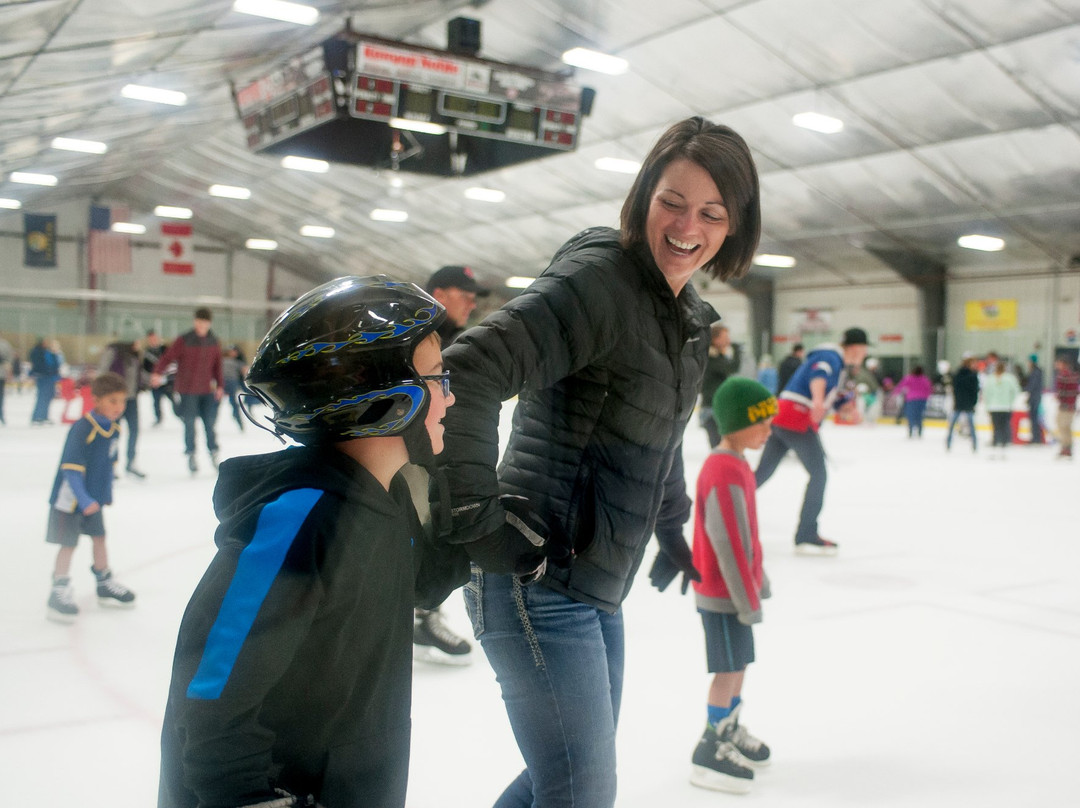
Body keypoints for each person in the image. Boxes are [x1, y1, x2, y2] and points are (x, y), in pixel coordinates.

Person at [432, 116, 761, 808]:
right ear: (644, 194)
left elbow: (660, 437)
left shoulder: (688, 319)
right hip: (536, 580)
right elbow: (467, 368)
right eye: (672, 200)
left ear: (734, 226)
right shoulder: (601, 282)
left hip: (597, 583)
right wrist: (476, 518)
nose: (686, 226)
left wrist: (671, 524)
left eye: (711, 212)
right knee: (578, 790)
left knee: (560, 783)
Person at [158, 276, 458, 808]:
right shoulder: (300, 517)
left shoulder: (386, 503)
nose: (451, 398)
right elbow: (210, 687)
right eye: (438, 379)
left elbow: (416, 584)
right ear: (385, 399)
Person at [652, 377, 776, 794]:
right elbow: (727, 541)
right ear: (737, 424)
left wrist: (761, 581)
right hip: (724, 596)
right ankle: (710, 745)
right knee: (727, 669)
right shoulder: (722, 470)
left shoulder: (737, 464)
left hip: (735, 593)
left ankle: (728, 727)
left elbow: (749, 537)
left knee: (738, 664)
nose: (769, 430)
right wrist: (746, 597)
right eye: (762, 422)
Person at [405, 264, 495, 664]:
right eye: (465, 295)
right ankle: (418, 614)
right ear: (439, 294)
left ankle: (424, 612)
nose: (473, 303)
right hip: (413, 461)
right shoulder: (414, 340)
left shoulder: (460, 340)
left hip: (447, 458)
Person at [753, 328, 870, 555]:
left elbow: (831, 396)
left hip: (782, 417)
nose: (864, 355)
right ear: (857, 348)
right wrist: (817, 401)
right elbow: (819, 375)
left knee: (763, 472)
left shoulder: (837, 364)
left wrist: (847, 409)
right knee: (819, 474)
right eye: (864, 350)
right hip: (797, 417)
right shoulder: (830, 356)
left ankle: (722, 501)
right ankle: (806, 532)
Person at [44, 371, 137, 623]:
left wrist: (104, 494)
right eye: (112, 401)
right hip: (70, 500)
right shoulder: (82, 428)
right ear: (96, 400)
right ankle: (59, 588)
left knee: (99, 537)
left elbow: (108, 464)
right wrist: (83, 500)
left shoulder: (114, 428)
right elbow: (70, 469)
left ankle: (104, 581)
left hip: (92, 499)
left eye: (122, 401)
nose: (119, 407)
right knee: (69, 543)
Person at [151, 308, 224, 473]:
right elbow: (168, 357)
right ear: (195, 321)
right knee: (189, 423)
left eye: (204, 322)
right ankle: (191, 453)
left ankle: (213, 451)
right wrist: (157, 372)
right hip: (188, 389)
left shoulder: (213, 341)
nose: (201, 325)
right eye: (198, 321)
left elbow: (218, 365)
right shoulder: (184, 340)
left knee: (209, 423)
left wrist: (220, 385)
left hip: (206, 389)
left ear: (209, 323)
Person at [98, 337, 147, 478]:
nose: (139, 343)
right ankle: (111, 464)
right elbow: (102, 372)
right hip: (115, 399)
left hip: (131, 399)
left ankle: (131, 462)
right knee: (114, 432)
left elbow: (138, 375)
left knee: (134, 430)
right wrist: (105, 395)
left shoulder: (134, 355)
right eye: (137, 340)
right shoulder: (113, 352)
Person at [699, 324, 743, 447]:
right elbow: (731, 368)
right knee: (719, 446)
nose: (728, 340)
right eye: (725, 337)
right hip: (712, 407)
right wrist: (737, 351)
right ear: (714, 339)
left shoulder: (716, 356)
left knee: (724, 445)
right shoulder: (709, 357)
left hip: (717, 406)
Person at [983, 360, 1021, 459]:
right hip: (1006, 407)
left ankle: (996, 446)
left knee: (996, 428)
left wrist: (988, 405)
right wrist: (1010, 401)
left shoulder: (991, 379)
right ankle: (1004, 446)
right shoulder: (1010, 378)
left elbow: (986, 393)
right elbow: (1016, 391)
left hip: (994, 407)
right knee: (1004, 426)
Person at [946, 352, 980, 452]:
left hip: (960, 403)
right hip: (966, 403)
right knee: (970, 425)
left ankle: (949, 442)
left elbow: (955, 389)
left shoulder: (958, 374)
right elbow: (975, 391)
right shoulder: (972, 376)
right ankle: (974, 444)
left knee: (953, 424)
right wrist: (973, 402)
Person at [143, 329, 175, 425]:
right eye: (150, 339)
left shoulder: (165, 349)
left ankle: (181, 414)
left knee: (173, 399)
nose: (153, 340)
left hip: (167, 381)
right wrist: (151, 379)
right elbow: (145, 368)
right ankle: (158, 418)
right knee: (156, 401)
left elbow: (172, 363)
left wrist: (166, 377)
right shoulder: (147, 352)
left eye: (154, 338)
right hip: (155, 382)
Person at [29, 336, 61, 425]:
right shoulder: (38, 352)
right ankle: (37, 416)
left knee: (47, 397)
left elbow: (55, 364)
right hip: (43, 377)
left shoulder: (47, 352)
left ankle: (43, 416)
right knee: (42, 397)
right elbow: (41, 364)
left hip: (48, 377)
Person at [894, 365, 933, 438]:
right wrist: (928, 396)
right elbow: (929, 389)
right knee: (919, 415)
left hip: (911, 399)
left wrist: (895, 392)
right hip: (922, 399)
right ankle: (920, 429)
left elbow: (900, 386)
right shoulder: (925, 379)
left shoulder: (909, 378)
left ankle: (911, 429)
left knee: (911, 415)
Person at [1053, 356, 1078, 458]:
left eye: (1058, 363)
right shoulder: (1073, 375)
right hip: (1071, 406)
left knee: (1063, 427)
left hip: (1065, 406)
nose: (1056, 365)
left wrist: (1059, 396)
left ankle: (1065, 447)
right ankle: (1067, 447)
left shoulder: (1063, 376)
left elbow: (1062, 391)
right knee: (1066, 427)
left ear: (1063, 364)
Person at [220, 345, 247, 431]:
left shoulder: (221, 361)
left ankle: (210, 421)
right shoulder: (235, 362)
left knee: (217, 403)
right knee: (233, 402)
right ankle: (238, 420)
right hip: (231, 382)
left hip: (225, 382)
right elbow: (244, 369)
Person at [1024, 354, 1045, 444]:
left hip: (1035, 398)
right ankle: (1035, 437)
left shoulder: (1036, 372)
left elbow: (1033, 385)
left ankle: (1036, 438)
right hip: (1034, 397)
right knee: (1033, 418)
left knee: (1034, 419)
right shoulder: (1036, 371)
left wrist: (1026, 389)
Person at [0, 335, 13, 424]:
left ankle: (1, 414)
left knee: (1, 396)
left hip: (1, 375)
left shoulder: (4, 344)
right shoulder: (5, 344)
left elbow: (8, 359)